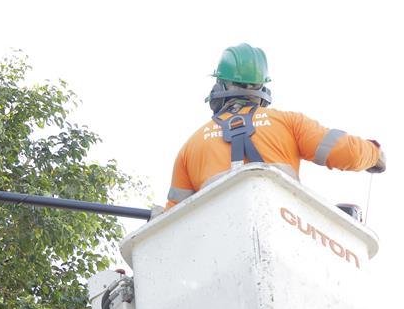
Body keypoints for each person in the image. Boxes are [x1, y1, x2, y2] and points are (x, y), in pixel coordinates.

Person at [164, 43, 385, 211]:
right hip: (285, 231)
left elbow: (173, 219)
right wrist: (373, 153)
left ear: (218, 87)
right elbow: (344, 151)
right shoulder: (288, 123)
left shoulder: (191, 147)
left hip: (217, 244)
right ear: (263, 91)